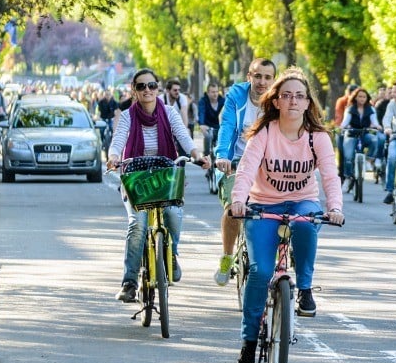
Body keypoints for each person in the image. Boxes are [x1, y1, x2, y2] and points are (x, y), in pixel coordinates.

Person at [230, 67, 344, 363]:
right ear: (276, 101)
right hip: (263, 205)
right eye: (286, 95)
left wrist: (334, 207)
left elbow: (330, 176)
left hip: (302, 201)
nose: (293, 101)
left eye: (299, 96)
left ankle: (304, 289)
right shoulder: (264, 133)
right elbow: (246, 169)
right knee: (260, 271)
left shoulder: (317, 137)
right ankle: (249, 341)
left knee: (307, 224)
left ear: (308, 103)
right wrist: (238, 201)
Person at [107, 69, 210, 302]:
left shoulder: (170, 113)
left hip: (165, 175)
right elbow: (118, 140)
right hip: (136, 177)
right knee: (138, 225)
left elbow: (184, 137)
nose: (147, 90)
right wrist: (114, 157)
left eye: (152, 85)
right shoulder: (127, 116)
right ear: (134, 90)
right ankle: (129, 282)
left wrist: (197, 154)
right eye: (141, 86)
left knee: (173, 213)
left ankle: (171, 255)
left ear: (158, 88)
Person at [213, 58, 277, 285]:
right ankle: (228, 257)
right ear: (249, 77)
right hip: (236, 162)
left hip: (270, 165)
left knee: (280, 211)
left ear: (273, 80)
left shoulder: (279, 100)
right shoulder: (236, 97)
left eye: (267, 77)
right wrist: (222, 156)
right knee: (234, 209)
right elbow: (227, 126)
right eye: (257, 76)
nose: (262, 82)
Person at [339, 87, 382, 188]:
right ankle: (348, 178)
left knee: (374, 140)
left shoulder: (370, 109)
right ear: (355, 97)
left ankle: (368, 160)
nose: (362, 99)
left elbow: (374, 121)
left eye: (364, 97)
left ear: (367, 98)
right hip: (351, 133)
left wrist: (377, 126)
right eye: (360, 96)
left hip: (364, 133)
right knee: (348, 157)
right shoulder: (350, 108)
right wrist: (342, 127)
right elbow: (345, 121)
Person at [197, 82, 225, 157]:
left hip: (219, 126)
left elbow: (226, 114)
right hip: (207, 126)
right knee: (208, 136)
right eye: (213, 92)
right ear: (208, 93)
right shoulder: (203, 101)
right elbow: (201, 112)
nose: (215, 94)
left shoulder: (223, 101)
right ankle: (206, 155)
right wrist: (202, 124)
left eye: (216, 91)